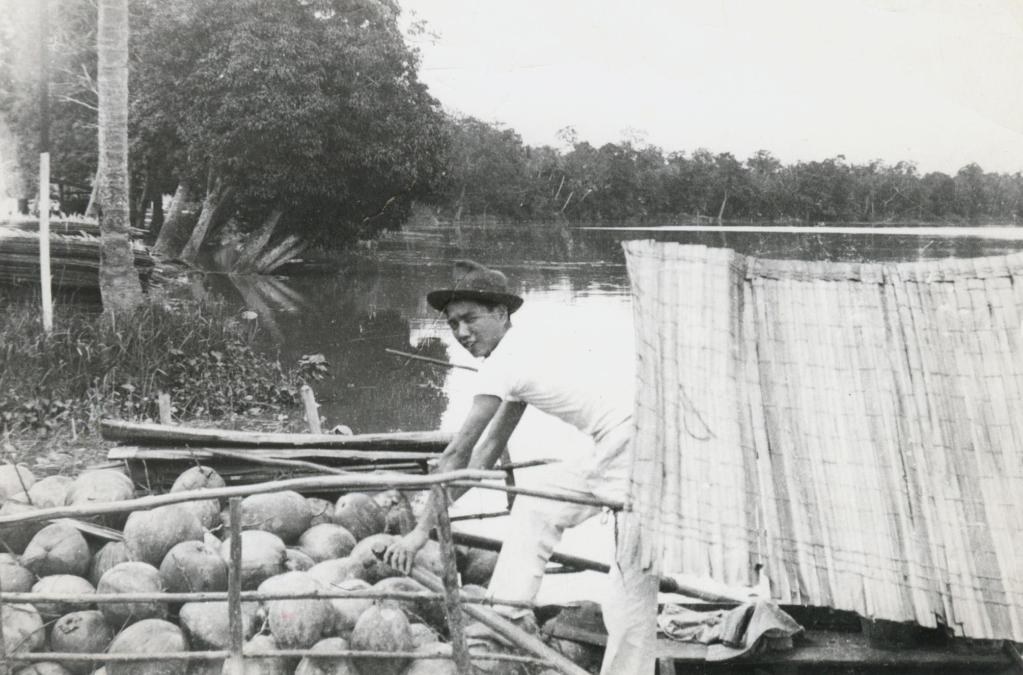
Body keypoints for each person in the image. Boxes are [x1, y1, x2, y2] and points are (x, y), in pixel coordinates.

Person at [383, 260, 659, 675]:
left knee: (632, 577)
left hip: (635, 445)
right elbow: (486, 454)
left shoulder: (503, 363)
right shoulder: (519, 350)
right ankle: (508, 615)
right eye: (453, 323)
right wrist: (434, 517)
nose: (461, 332)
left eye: (470, 318)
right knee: (538, 504)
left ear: (501, 313)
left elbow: (458, 453)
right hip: (622, 442)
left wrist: (420, 531)